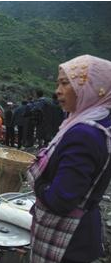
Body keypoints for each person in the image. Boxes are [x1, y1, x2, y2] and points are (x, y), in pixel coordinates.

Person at [27, 55, 111, 263]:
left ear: (92, 87)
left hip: (67, 241)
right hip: (82, 228)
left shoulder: (84, 134)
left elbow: (61, 199)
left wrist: (39, 185)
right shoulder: (97, 121)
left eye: (66, 83)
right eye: (58, 83)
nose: (58, 90)